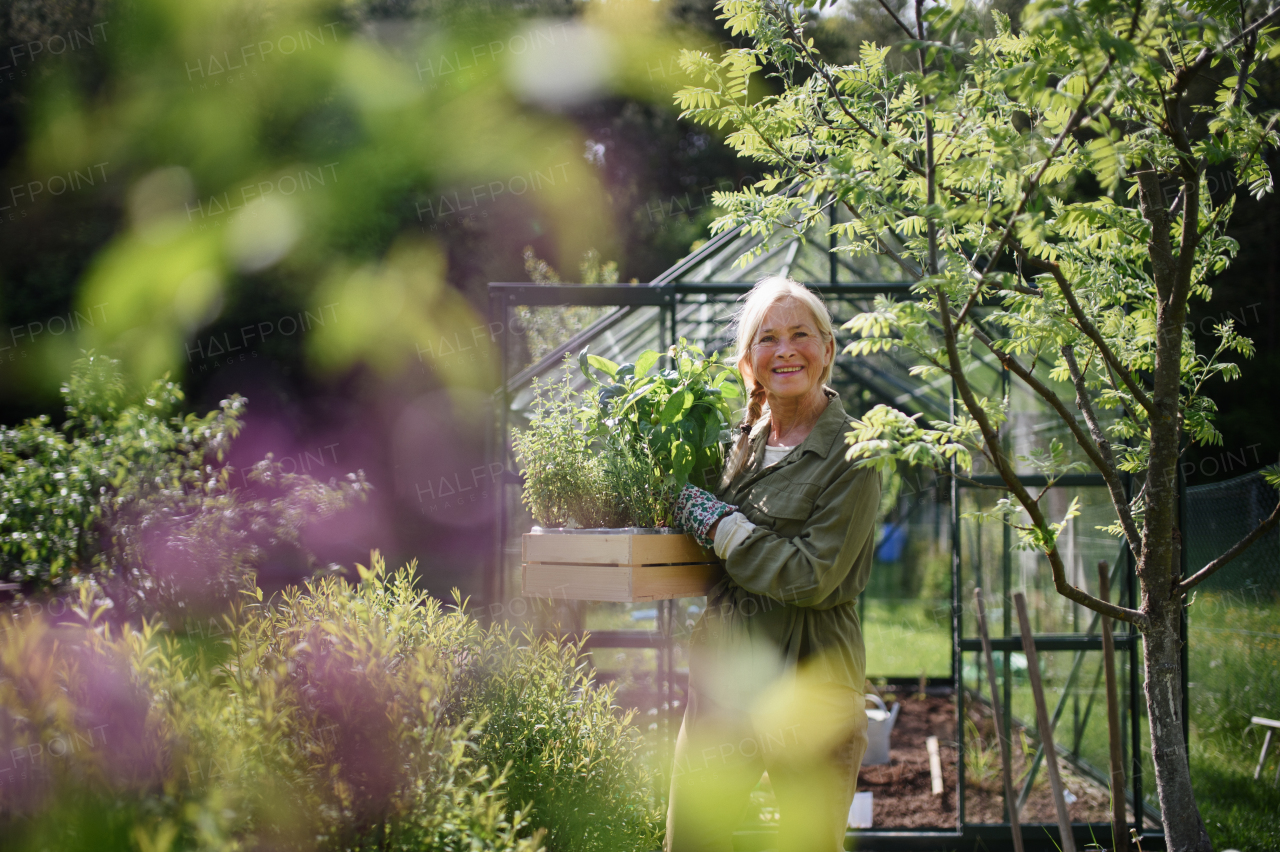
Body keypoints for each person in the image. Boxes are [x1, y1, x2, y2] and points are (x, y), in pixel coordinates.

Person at [667, 276, 881, 852]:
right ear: (749, 360)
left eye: (800, 335)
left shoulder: (855, 452)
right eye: (768, 338)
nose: (785, 350)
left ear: (828, 349)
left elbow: (813, 576)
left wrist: (723, 526)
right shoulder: (740, 444)